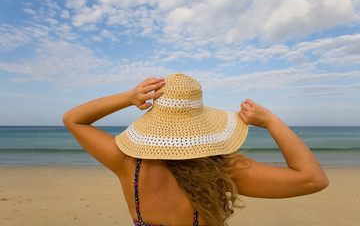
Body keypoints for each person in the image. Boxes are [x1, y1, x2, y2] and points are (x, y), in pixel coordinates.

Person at [63, 73, 329, 226]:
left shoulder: (127, 163)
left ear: (157, 117)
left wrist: (129, 97)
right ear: (200, 121)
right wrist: (271, 121)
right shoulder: (222, 169)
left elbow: (73, 119)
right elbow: (313, 179)